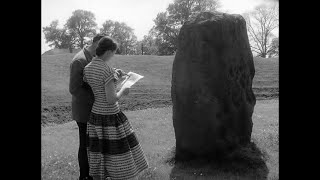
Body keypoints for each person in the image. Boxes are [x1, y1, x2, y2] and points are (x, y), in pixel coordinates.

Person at [83, 36, 149, 180]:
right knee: (118, 152)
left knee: (101, 151)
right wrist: (122, 92)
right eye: (113, 52)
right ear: (108, 52)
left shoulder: (88, 68)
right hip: (110, 115)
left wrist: (115, 78)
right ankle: (122, 175)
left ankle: (102, 175)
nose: (113, 55)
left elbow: (100, 87)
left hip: (95, 115)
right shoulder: (106, 69)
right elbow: (111, 99)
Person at [69, 33, 106, 180]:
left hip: (94, 109)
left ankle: (92, 174)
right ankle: (84, 176)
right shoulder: (79, 60)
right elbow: (74, 89)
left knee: (92, 144)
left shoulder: (93, 57)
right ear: (97, 43)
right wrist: (96, 96)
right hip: (84, 111)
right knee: (85, 145)